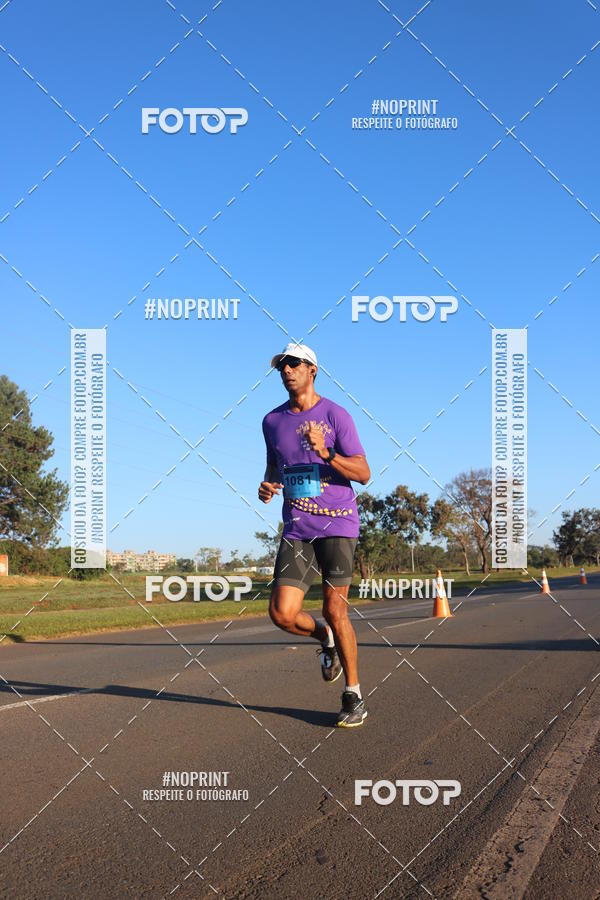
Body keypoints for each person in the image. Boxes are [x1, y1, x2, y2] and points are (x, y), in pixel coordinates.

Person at [259, 342, 371, 727]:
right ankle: (325, 638)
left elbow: (363, 472)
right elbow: (274, 468)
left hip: (337, 522)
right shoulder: (271, 422)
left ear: (312, 370)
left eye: (294, 363)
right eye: (282, 366)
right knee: (281, 613)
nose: (287, 370)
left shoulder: (336, 414)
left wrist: (327, 454)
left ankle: (353, 695)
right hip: (297, 527)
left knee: (335, 609)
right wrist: (267, 486)